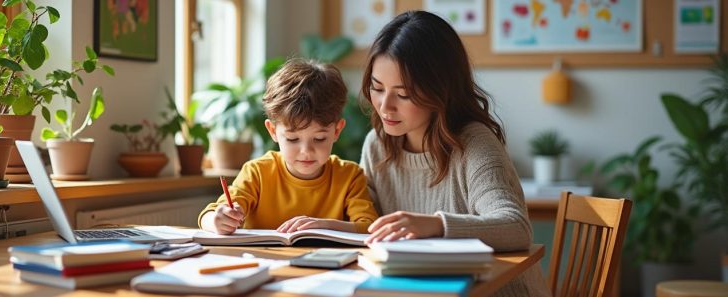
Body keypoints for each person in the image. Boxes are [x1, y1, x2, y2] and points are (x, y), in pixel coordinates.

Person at [358, 11, 550, 296]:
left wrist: (435, 225)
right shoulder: (377, 145)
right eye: (377, 88)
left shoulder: (474, 144)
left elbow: (517, 227)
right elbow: (366, 220)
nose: (385, 106)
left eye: (403, 94)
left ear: (440, 90)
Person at [199, 59, 378, 235]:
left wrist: (323, 226)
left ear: (337, 131)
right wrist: (217, 220)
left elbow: (368, 226)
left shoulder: (349, 176)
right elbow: (210, 215)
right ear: (273, 131)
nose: (306, 151)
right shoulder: (258, 173)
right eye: (292, 139)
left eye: (319, 138)